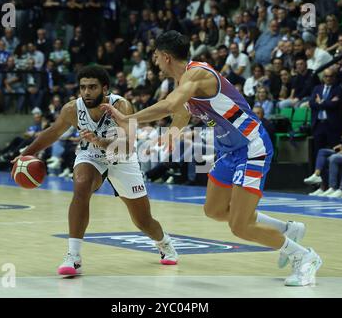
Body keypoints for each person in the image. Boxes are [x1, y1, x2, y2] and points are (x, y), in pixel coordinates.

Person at [104, 30, 322, 286]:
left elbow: (170, 105)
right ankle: (287, 229)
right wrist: (173, 132)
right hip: (228, 150)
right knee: (214, 210)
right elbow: (183, 112)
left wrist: (128, 119)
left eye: (154, 55)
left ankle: (304, 257)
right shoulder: (183, 80)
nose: (153, 60)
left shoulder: (197, 74)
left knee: (240, 226)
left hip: (251, 146)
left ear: (165, 56)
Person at [11, 65, 178, 276]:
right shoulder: (72, 109)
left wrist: (99, 140)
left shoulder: (122, 106)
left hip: (122, 159)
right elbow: (52, 132)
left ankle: (163, 243)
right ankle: (74, 256)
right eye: (83, 87)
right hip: (90, 156)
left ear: (105, 89)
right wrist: (26, 153)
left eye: (92, 87)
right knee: (81, 185)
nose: (87, 92)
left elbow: (127, 145)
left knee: (143, 221)